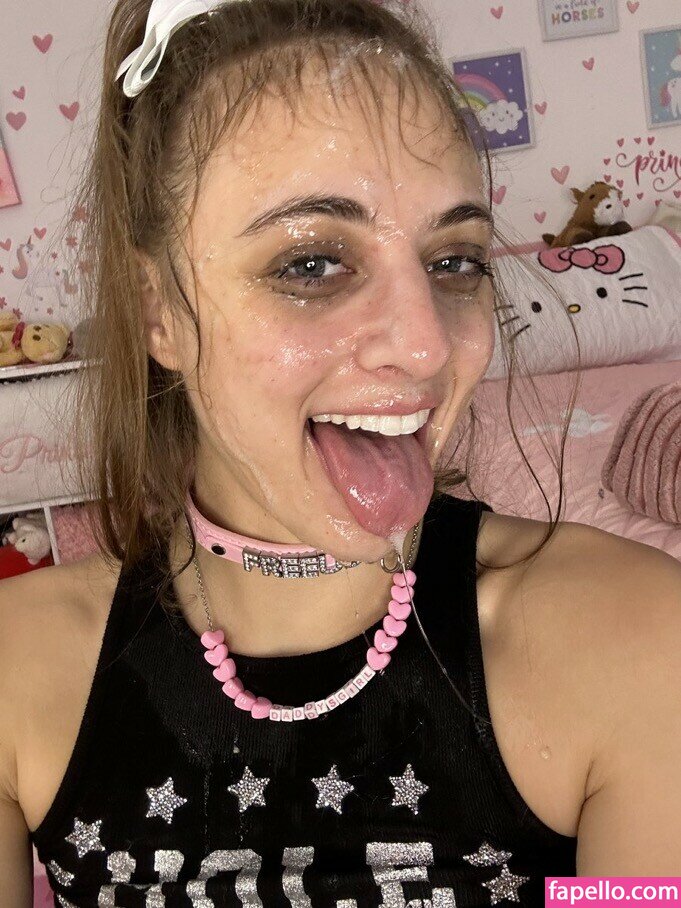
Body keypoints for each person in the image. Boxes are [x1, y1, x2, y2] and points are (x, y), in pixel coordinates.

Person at [1, 0, 681, 904]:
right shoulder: (17, 671)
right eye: (312, 263)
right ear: (159, 309)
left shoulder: (636, 638)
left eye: (454, 261)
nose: (428, 346)